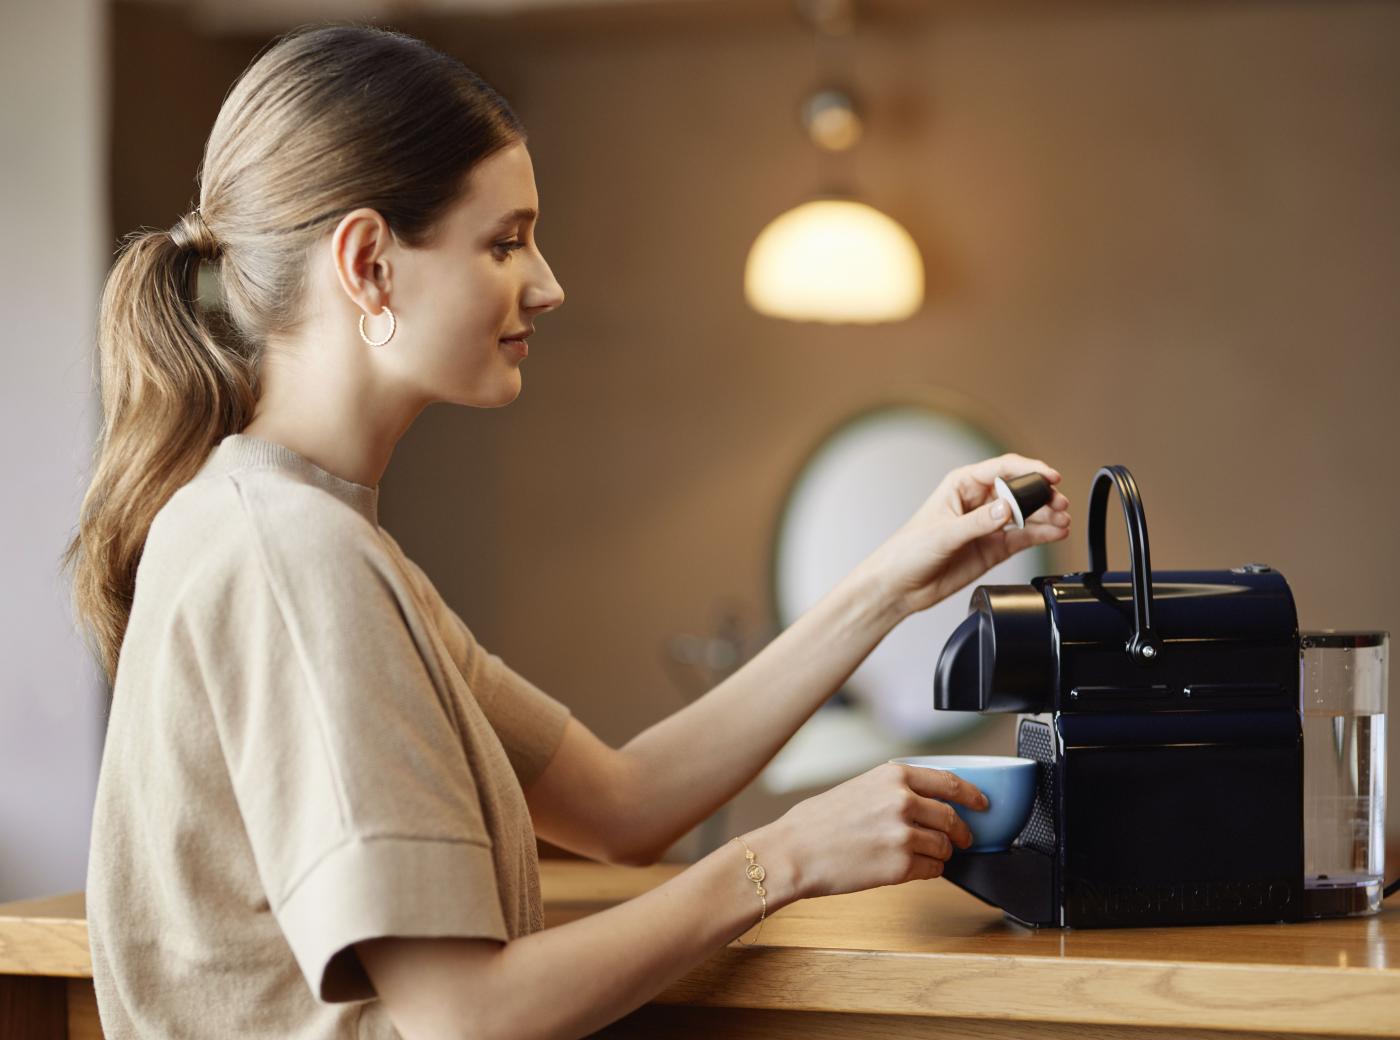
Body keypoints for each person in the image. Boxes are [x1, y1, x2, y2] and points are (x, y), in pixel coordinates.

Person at [62, 22, 1072, 1040]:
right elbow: (467, 1013)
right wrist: (788, 857)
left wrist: (893, 580)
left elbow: (625, 800)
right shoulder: (295, 558)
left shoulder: (300, 535)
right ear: (368, 263)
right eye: (503, 242)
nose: (545, 283)